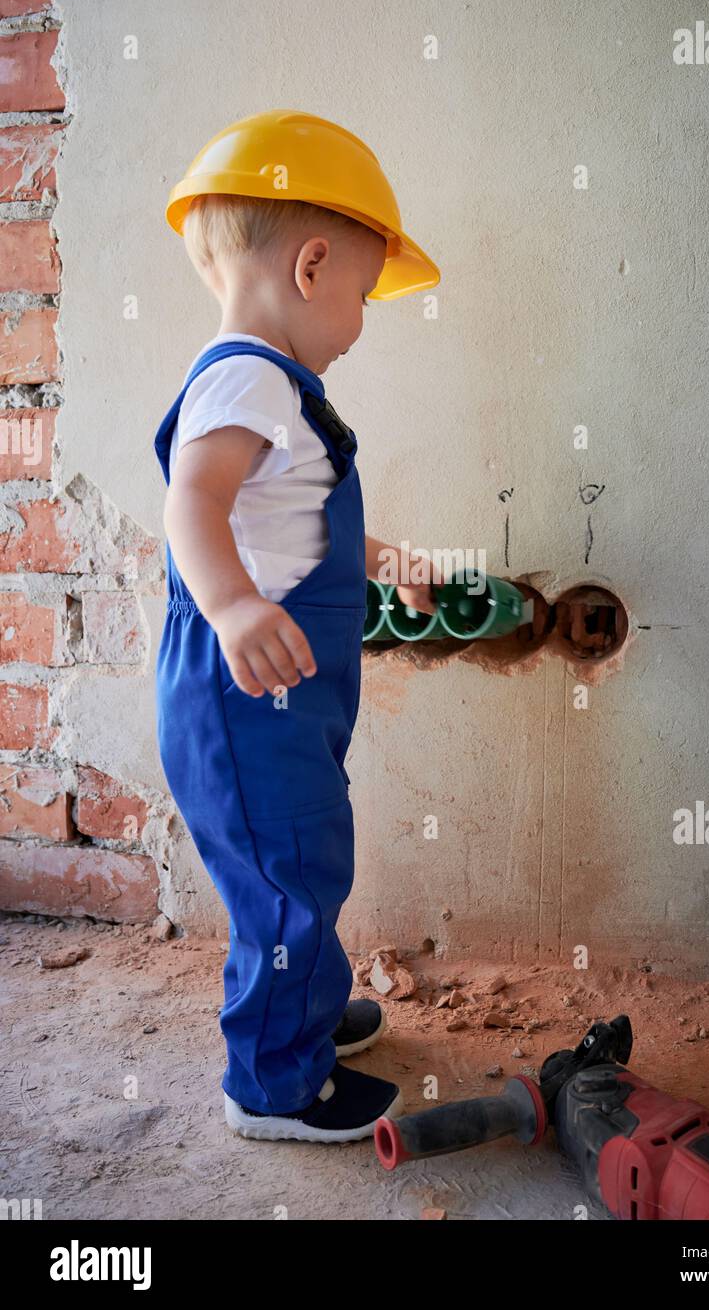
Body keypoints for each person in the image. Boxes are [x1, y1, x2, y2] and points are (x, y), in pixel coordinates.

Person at [153, 110, 439, 1141]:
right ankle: (275, 1084)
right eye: (365, 294)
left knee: (307, 856)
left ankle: (305, 1016)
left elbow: (297, 523)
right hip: (244, 696)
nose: (363, 319)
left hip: (283, 697)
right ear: (313, 265)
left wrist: (393, 564)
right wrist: (230, 604)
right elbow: (194, 500)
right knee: (285, 878)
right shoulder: (245, 379)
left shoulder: (278, 393)